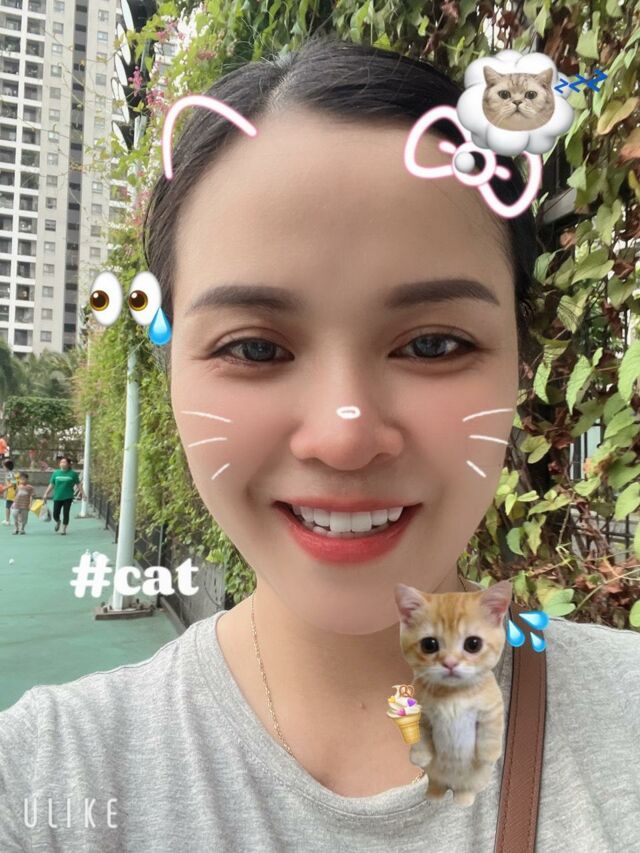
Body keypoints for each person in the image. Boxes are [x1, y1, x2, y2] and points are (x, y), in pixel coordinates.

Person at [0, 36, 638, 852]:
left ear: (522, 359)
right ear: (169, 370)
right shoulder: (47, 780)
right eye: (255, 348)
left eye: (433, 344)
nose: (345, 436)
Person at [41, 455, 86, 535]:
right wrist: (46, 493)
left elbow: (78, 484)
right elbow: (52, 484)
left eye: (64, 462)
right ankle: (58, 521)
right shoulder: (56, 473)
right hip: (57, 496)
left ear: (68, 464)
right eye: (61, 462)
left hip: (68, 496)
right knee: (55, 514)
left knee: (66, 513)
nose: (62, 463)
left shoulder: (73, 474)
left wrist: (83, 494)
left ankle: (64, 529)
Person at [1, 457, 16, 525]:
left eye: (3, 466)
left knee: (8, 507)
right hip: (10, 492)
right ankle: (8, 520)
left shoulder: (10, 474)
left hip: (11, 493)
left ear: (7, 467)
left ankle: (8, 520)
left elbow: (13, 483)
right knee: (9, 506)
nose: (3, 468)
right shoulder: (10, 473)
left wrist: (4, 488)